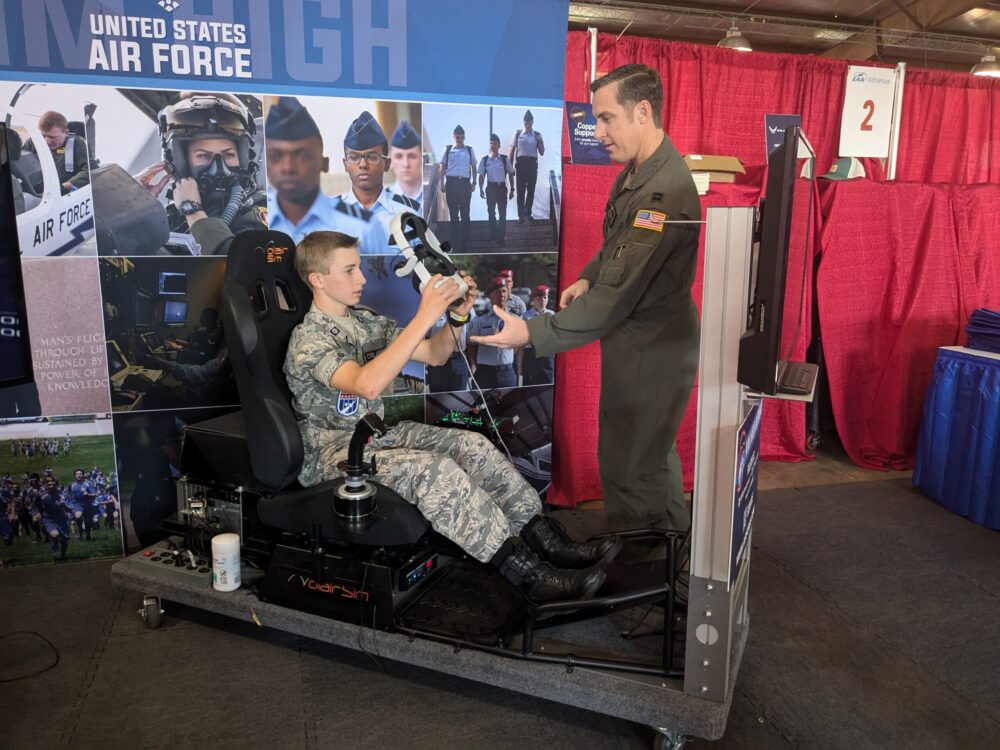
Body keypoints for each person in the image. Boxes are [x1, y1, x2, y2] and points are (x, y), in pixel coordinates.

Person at [283, 231, 620, 601]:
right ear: (317, 278)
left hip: (374, 437)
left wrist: (456, 317)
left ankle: (544, 540)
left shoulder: (365, 322)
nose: (361, 278)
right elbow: (366, 385)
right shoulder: (308, 340)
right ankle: (528, 574)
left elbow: (434, 354)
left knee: (470, 444)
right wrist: (423, 313)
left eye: (359, 268)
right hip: (337, 455)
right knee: (434, 471)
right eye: (349, 271)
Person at [471, 64, 702, 531]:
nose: (596, 132)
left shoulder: (661, 194)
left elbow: (616, 298)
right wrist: (587, 276)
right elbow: (619, 244)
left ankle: (641, 568)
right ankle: (676, 559)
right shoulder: (638, 171)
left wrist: (530, 333)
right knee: (649, 451)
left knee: (630, 462)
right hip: (641, 338)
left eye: (606, 118)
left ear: (642, 111)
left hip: (650, 345)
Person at [133, 93, 267, 255]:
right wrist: (134, 210)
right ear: (180, 162)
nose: (219, 167)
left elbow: (239, 266)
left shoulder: (260, 210)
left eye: (228, 154)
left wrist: (192, 210)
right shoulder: (172, 218)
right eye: (204, 155)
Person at [264, 97, 388, 254]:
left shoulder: (363, 227)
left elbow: (384, 277)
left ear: (324, 164)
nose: (288, 168)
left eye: (303, 156)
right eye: (275, 157)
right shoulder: (258, 225)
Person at [339, 111, 420, 236]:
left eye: (371, 157)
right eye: (354, 157)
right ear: (345, 164)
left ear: (387, 164)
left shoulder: (409, 212)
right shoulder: (330, 213)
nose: (363, 164)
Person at [24, 110, 97, 194]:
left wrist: (65, 186)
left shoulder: (77, 144)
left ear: (66, 132)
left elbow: (90, 169)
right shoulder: (32, 143)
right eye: (43, 136)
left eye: (52, 137)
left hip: (66, 194)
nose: (47, 141)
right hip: (37, 194)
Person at [466, 277, 518, 389]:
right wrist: (480, 365)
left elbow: (516, 346)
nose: (502, 294)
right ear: (489, 295)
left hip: (507, 373)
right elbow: (471, 347)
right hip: (485, 374)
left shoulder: (515, 318)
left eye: (504, 291)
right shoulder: (479, 320)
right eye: (497, 291)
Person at [438, 125, 476, 251]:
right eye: (457, 137)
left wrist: (474, 182)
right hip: (452, 183)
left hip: (465, 183)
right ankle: (455, 241)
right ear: (454, 137)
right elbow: (442, 167)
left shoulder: (469, 150)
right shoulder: (448, 149)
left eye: (462, 137)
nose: (460, 139)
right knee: (453, 214)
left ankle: (466, 242)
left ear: (464, 137)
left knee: (465, 213)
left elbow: (474, 167)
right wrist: (441, 183)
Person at [478, 134, 515, 247]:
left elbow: (510, 173)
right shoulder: (485, 160)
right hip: (491, 188)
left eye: (495, 143)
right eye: (491, 143)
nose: (493, 145)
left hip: (501, 188)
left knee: (502, 214)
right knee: (491, 213)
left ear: (499, 146)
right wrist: (480, 189)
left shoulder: (504, 159)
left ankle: (501, 238)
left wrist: (512, 189)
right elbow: (481, 176)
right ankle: (494, 235)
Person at [509, 109, 544, 222]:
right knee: (520, 191)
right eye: (525, 123)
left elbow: (542, 152)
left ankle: (527, 213)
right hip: (521, 163)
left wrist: (540, 141)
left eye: (529, 123)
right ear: (523, 122)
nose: (527, 125)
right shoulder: (517, 133)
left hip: (532, 164)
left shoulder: (537, 135)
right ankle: (520, 216)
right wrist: (510, 167)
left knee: (531, 190)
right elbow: (512, 150)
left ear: (532, 122)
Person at [521, 285, 555, 385]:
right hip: (531, 356)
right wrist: (520, 364)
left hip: (547, 356)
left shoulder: (552, 315)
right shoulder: (526, 316)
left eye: (545, 297)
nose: (543, 300)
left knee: (547, 387)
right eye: (539, 298)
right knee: (530, 387)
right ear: (534, 300)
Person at [389, 119, 423, 208]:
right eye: (399, 156)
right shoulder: (381, 201)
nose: (406, 164)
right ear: (390, 161)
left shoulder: (437, 195)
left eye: (412, 156)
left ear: (421, 159)